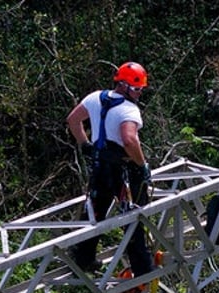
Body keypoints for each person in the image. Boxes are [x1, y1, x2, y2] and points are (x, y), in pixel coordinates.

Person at [66, 61, 154, 276]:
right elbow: (129, 140)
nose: (139, 94)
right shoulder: (128, 110)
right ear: (123, 86)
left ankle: (83, 259)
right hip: (122, 171)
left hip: (99, 166)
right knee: (132, 215)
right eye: (136, 89)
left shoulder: (95, 97)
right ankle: (142, 266)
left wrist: (85, 144)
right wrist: (141, 166)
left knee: (95, 212)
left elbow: (73, 120)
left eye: (141, 89)